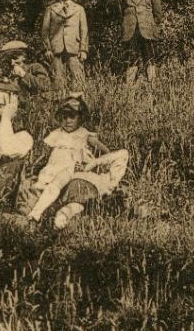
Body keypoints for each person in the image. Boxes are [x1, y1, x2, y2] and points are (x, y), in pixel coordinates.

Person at [22, 94, 129, 230]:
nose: (68, 121)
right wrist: (35, 165)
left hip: (72, 167)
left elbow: (105, 151)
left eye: (72, 117)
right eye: (64, 117)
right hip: (54, 167)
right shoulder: (56, 134)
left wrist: (96, 163)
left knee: (62, 183)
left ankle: (39, 214)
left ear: (80, 118)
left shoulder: (84, 134)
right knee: (45, 186)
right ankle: (37, 213)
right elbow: (44, 153)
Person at [118, 0, 165, 84]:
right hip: (130, 31)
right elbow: (119, 13)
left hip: (147, 32)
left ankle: (152, 86)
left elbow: (158, 14)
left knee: (150, 59)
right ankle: (129, 88)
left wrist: (153, 28)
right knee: (130, 58)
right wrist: (126, 25)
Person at [41, 0, 89, 92]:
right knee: (57, 81)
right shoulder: (51, 9)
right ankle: (58, 103)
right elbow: (45, 31)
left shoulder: (79, 9)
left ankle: (78, 105)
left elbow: (84, 31)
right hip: (56, 48)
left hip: (74, 48)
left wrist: (83, 50)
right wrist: (47, 49)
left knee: (78, 80)